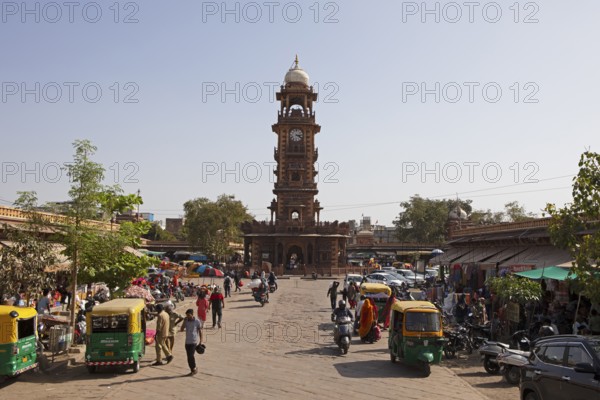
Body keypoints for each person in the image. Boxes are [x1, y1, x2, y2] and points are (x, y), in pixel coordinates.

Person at [180, 308, 202, 375]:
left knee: (191, 356)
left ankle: (194, 368)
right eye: (187, 315)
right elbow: (181, 329)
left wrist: (201, 341)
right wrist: (184, 322)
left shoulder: (197, 321)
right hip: (187, 342)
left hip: (193, 342)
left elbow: (200, 331)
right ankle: (192, 369)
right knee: (189, 357)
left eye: (189, 315)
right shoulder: (186, 321)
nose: (188, 317)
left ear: (192, 314)